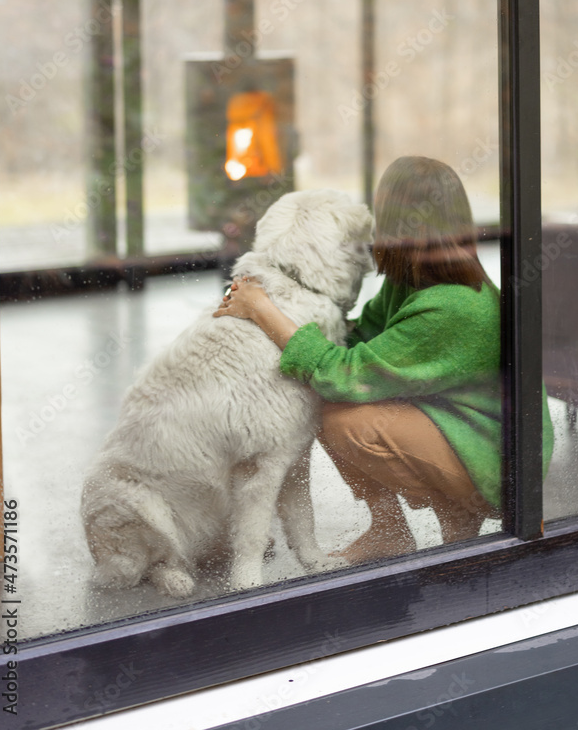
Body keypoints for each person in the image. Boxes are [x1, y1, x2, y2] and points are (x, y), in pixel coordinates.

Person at [213, 156, 554, 564]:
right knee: (336, 396)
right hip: (454, 421)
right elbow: (362, 335)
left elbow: (344, 375)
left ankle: (464, 507)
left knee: (344, 416)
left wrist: (265, 312)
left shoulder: (452, 306)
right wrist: (294, 308)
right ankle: (389, 532)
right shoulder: (416, 280)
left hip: (494, 460)